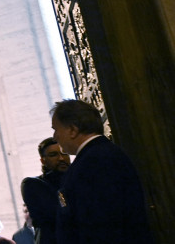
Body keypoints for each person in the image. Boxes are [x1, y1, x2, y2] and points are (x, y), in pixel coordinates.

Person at [50, 99, 153, 244]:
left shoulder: (96, 160)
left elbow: (102, 222)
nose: (54, 136)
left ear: (72, 130)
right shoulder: (96, 156)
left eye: (56, 129)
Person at [20, 137, 69, 244]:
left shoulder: (77, 178)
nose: (61, 158)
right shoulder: (32, 184)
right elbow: (52, 215)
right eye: (53, 155)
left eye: (64, 153)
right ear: (43, 160)